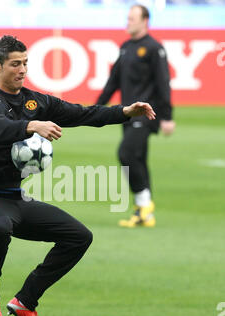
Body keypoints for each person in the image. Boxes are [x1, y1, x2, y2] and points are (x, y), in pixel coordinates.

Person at [0, 35, 155, 316]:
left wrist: (124, 112)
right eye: (15, 64)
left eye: (25, 63)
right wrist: (31, 126)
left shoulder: (35, 101)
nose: (22, 69)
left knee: (79, 237)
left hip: (13, 198)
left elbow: (82, 113)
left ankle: (25, 301)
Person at [96, 4, 175, 228]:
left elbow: (163, 83)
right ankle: (144, 213)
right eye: (127, 18)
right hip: (128, 114)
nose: (127, 22)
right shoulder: (126, 47)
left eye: (132, 19)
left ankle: (144, 203)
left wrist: (167, 116)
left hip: (147, 115)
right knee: (138, 158)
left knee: (126, 154)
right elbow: (113, 81)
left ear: (145, 21)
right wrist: (94, 109)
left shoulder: (154, 48)